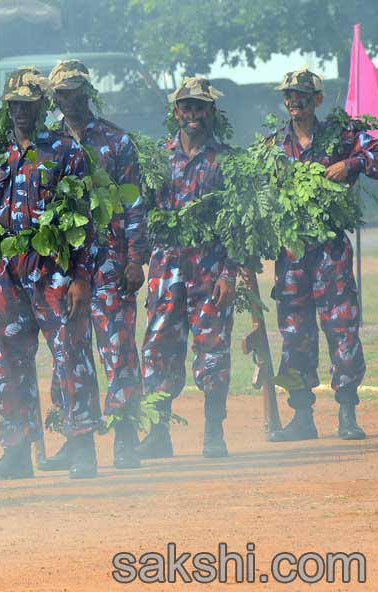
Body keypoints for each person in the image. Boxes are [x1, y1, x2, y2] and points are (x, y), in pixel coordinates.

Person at [0, 67, 97, 481]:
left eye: (30, 104)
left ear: (42, 105)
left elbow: (85, 221)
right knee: (8, 360)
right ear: (7, 107)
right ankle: (16, 452)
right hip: (8, 275)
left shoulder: (66, 152)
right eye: (15, 105)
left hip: (55, 273)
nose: (22, 112)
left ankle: (82, 446)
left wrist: (82, 277)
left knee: (70, 354)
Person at [266, 67, 378, 442]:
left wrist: (350, 163)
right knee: (294, 334)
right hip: (291, 255)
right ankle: (302, 417)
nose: (294, 102)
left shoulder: (340, 136)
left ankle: (347, 415)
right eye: (289, 96)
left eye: (301, 96)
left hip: (330, 253)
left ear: (317, 99)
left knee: (342, 330)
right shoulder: (274, 144)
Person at [40, 59, 147, 471]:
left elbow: (134, 204)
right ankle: (77, 436)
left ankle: (124, 438)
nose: (68, 98)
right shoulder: (46, 144)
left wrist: (136, 259)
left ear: (87, 91)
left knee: (118, 349)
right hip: (64, 268)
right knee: (69, 352)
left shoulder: (116, 142)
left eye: (74, 90)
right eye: (61, 92)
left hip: (111, 262)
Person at [137, 77, 236, 460]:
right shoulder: (158, 159)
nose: (193, 114)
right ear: (176, 112)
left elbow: (238, 223)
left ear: (210, 111)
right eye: (187, 107)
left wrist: (230, 273)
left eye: (200, 107)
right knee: (159, 348)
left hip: (210, 268)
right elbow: (141, 213)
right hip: (167, 268)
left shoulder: (226, 160)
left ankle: (214, 433)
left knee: (213, 350)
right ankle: (159, 432)